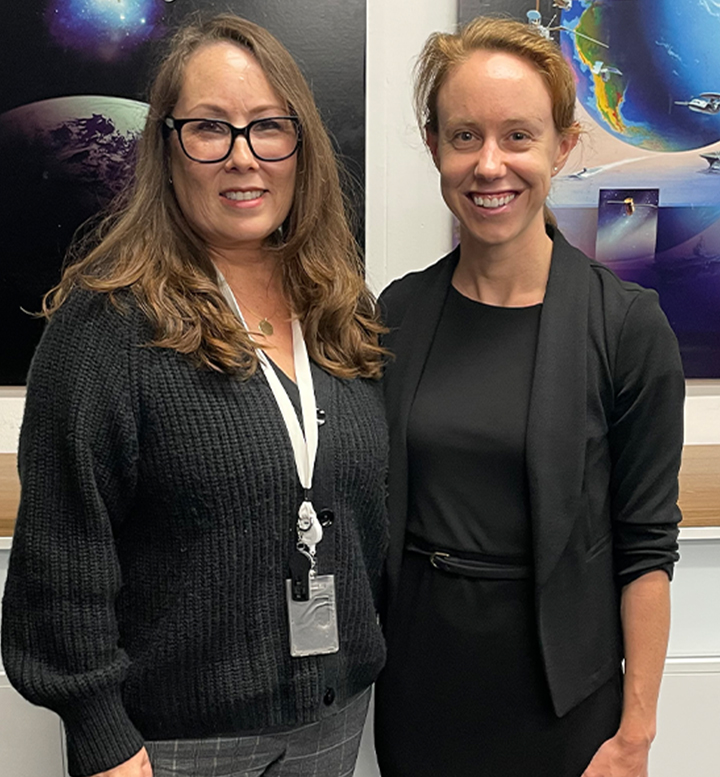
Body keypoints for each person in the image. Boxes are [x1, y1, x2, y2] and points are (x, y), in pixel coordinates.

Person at [1, 14, 389, 777]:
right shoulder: (107, 321)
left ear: (299, 145)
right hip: (168, 746)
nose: (243, 158)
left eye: (268, 127)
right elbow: (60, 559)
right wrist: (104, 738)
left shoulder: (342, 311)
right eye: (210, 128)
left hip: (332, 720)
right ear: (167, 147)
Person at [374, 17, 684, 777]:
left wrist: (635, 734)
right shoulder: (399, 312)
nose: (489, 165)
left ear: (562, 146)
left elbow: (646, 550)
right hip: (417, 698)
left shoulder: (626, 327)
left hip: (562, 713)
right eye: (464, 136)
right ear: (433, 145)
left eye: (518, 136)